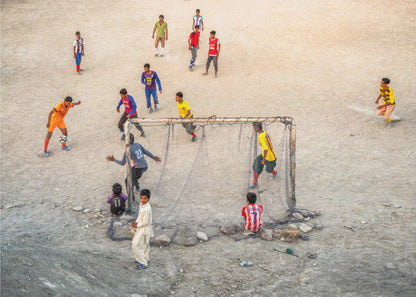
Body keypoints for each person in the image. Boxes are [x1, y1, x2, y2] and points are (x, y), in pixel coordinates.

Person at [248, 122, 277, 189]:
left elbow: (266, 148)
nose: (253, 128)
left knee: (269, 170)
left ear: (257, 128)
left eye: (254, 127)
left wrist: (263, 160)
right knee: (256, 165)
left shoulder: (260, 136)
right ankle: (254, 184)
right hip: (268, 154)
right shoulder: (265, 133)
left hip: (269, 157)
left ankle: (274, 172)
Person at [131, 189, 153, 270]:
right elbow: (140, 216)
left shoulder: (147, 209)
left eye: (145, 198)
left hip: (144, 229)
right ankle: (145, 259)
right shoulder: (142, 205)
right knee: (143, 245)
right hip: (140, 228)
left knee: (135, 245)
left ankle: (143, 262)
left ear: (148, 199)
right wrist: (136, 223)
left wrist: (137, 225)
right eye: (142, 198)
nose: (143, 200)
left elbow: (146, 222)